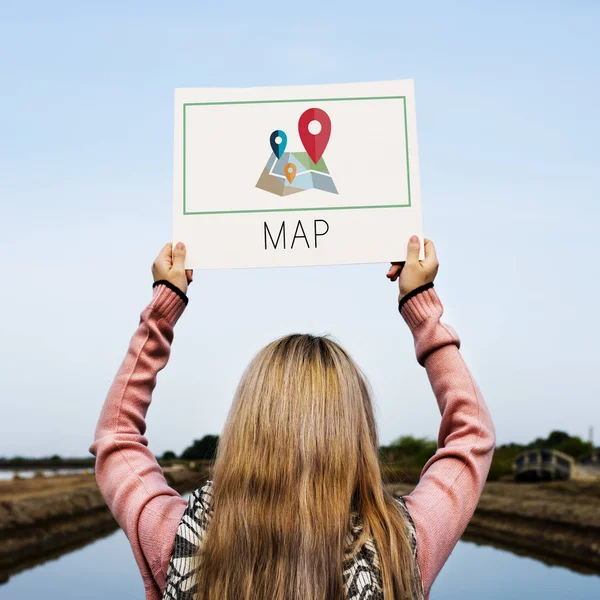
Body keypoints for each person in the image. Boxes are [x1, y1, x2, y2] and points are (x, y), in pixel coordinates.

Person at [90, 236, 495, 600]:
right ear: (356, 432)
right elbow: (471, 435)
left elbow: (117, 437)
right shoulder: (403, 544)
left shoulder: (178, 538)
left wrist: (163, 310)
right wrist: (421, 305)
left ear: (246, 426)